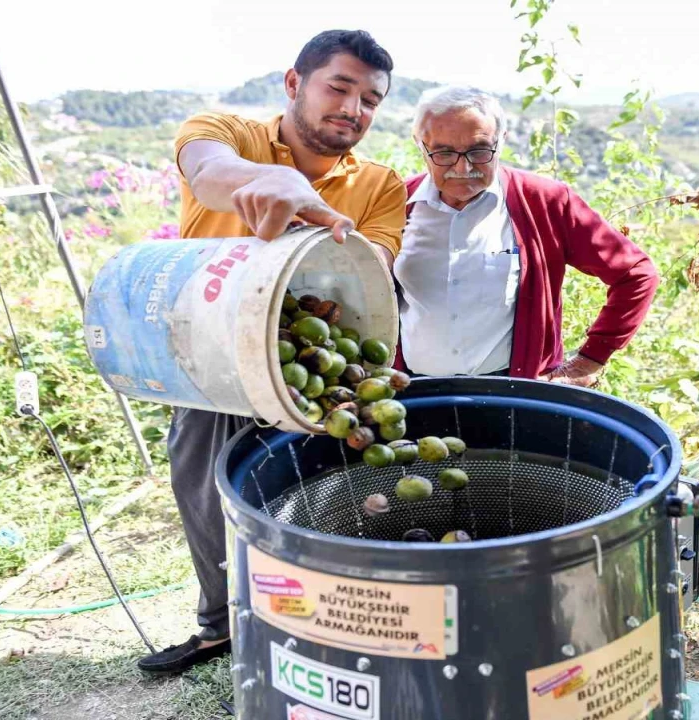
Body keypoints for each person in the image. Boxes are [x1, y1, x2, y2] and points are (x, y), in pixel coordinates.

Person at [137, 29, 406, 674]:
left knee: (313, 497)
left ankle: (314, 625)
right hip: (205, 360)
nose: (353, 109)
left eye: (370, 100)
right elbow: (209, 172)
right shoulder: (226, 131)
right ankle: (219, 625)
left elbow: (372, 271)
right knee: (205, 494)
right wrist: (271, 182)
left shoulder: (379, 184)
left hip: (310, 370)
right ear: (294, 83)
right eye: (338, 87)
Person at [392, 86, 658, 384]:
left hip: (517, 393)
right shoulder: (394, 203)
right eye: (444, 152)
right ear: (420, 144)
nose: (462, 166)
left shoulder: (545, 201)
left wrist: (589, 360)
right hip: (415, 390)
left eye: (479, 151)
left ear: (501, 142)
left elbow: (636, 273)